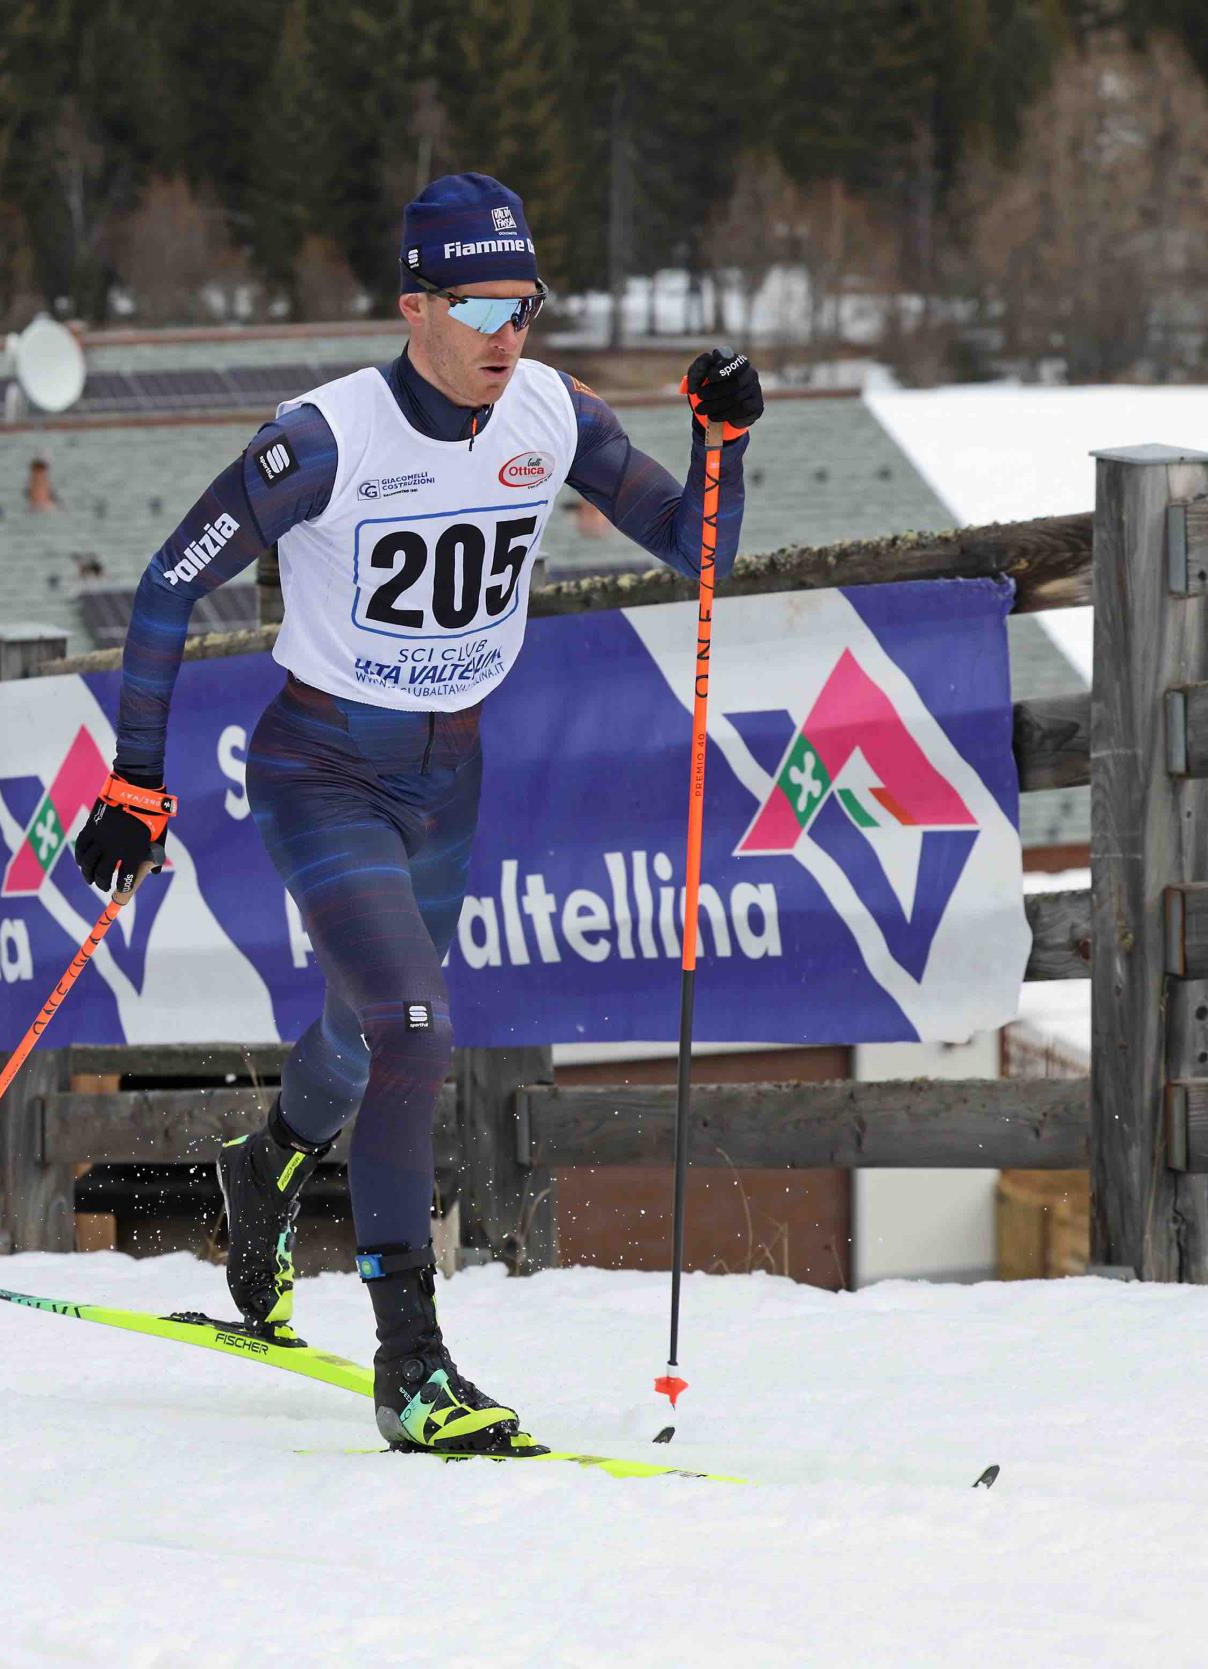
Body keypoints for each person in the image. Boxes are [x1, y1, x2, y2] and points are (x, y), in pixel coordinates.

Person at [72, 173, 764, 1456]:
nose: (508, 329)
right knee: (414, 1025)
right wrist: (132, 781)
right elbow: (168, 585)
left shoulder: (548, 411)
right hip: (321, 766)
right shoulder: (326, 439)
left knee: (357, 1035)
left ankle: (265, 1163)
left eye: (525, 300)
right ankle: (412, 1364)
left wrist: (726, 444)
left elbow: (697, 546)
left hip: (450, 772)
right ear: (414, 307)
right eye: (480, 302)